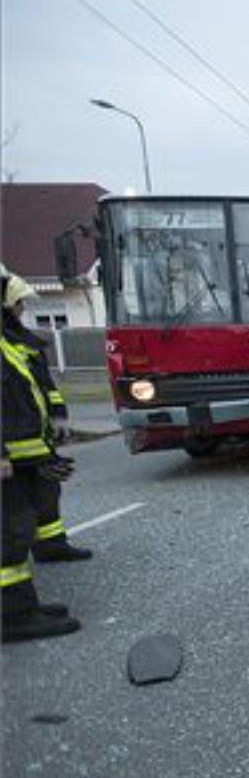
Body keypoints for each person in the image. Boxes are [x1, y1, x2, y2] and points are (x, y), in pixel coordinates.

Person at [2, 274, 80, 643]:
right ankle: (13, 616)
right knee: (9, 531)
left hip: (28, 449)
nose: (22, 309)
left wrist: (56, 424)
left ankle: (24, 604)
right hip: (9, 453)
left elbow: (36, 387)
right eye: (17, 303)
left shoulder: (14, 340)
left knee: (28, 516)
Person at [2, 272, 92, 563]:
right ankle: (15, 598)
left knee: (46, 492)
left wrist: (58, 417)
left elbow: (42, 385)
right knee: (16, 518)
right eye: (18, 304)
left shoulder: (21, 340)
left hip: (34, 441)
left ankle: (51, 545)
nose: (23, 309)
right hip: (12, 448)